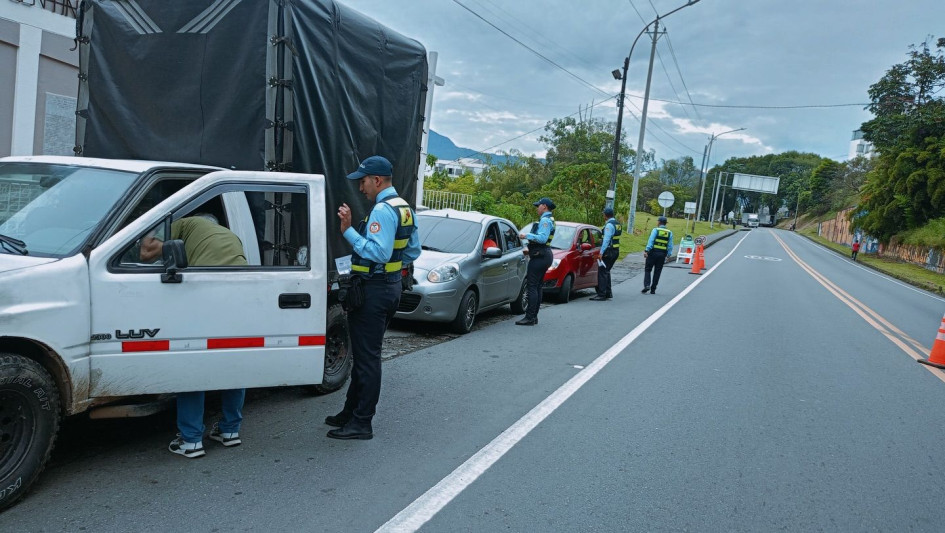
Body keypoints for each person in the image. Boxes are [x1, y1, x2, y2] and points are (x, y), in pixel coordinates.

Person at [327, 155, 420, 440]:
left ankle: (361, 422)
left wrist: (349, 232)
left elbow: (378, 252)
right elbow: (413, 251)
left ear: (377, 180)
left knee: (367, 359)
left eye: (363, 181)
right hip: (390, 287)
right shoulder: (404, 208)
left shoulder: (381, 210)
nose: (360, 188)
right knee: (365, 354)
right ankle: (350, 412)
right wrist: (392, 270)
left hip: (374, 290)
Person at [140, 215, 248, 458]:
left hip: (206, 293)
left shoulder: (179, 223)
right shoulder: (229, 235)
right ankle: (230, 431)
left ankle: (191, 440)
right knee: (234, 362)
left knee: (193, 363)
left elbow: (145, 255)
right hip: (240, 293)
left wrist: (146, 225)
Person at [516, 197, 556, 325]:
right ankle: (534, 316)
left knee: (532, 286)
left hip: (540, 256)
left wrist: (526, 235)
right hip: (544, 255)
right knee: (537, 286)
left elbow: (543, 238)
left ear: (544, 206)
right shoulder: (550, 219)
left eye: (538, 206)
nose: (537, 208)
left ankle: (530, 317)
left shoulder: (545, 220)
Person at [590, 207, 621, 301]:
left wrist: (601, 253)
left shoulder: (609, 225)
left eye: (603, 214)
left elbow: (607, 240)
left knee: (602, 272)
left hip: (608, 251)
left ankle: (601, 294)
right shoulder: (617, 224)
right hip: (615, 250)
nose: (603, 215)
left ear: (606, 215)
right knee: (607, 271)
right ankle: (608, 293)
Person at [642, 216, 674, 295]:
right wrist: (669, 255)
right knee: (657, 271)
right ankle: (653, 289)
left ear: (659, 222)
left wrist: (647, 251)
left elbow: (651, 241)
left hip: (653, 253)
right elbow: (670, 245)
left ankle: (647, 285)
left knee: (648, 269)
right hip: (662, 254)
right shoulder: (669, 232)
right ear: (665, 223)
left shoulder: (655, 230)